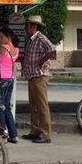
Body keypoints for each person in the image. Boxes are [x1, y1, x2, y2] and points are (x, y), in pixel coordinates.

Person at [21, 15, 56, 144]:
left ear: (34, 26)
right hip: (32, 75)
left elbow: (52, 50)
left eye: (27, 26)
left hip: (40, 75)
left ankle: (46, 134)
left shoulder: (41, 38)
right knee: (34, 105)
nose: (25, 28)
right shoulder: (31, 40)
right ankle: (35, 130)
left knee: (41, 105)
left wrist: (43, 60)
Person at [0, 27, 19, 143]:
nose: (0, 39)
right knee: (6, 107)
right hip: (9, 80)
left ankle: (3, 134)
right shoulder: (16, 49)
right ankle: (13, 134)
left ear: (8, 38)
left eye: (2, 37)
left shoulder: (3, 48)